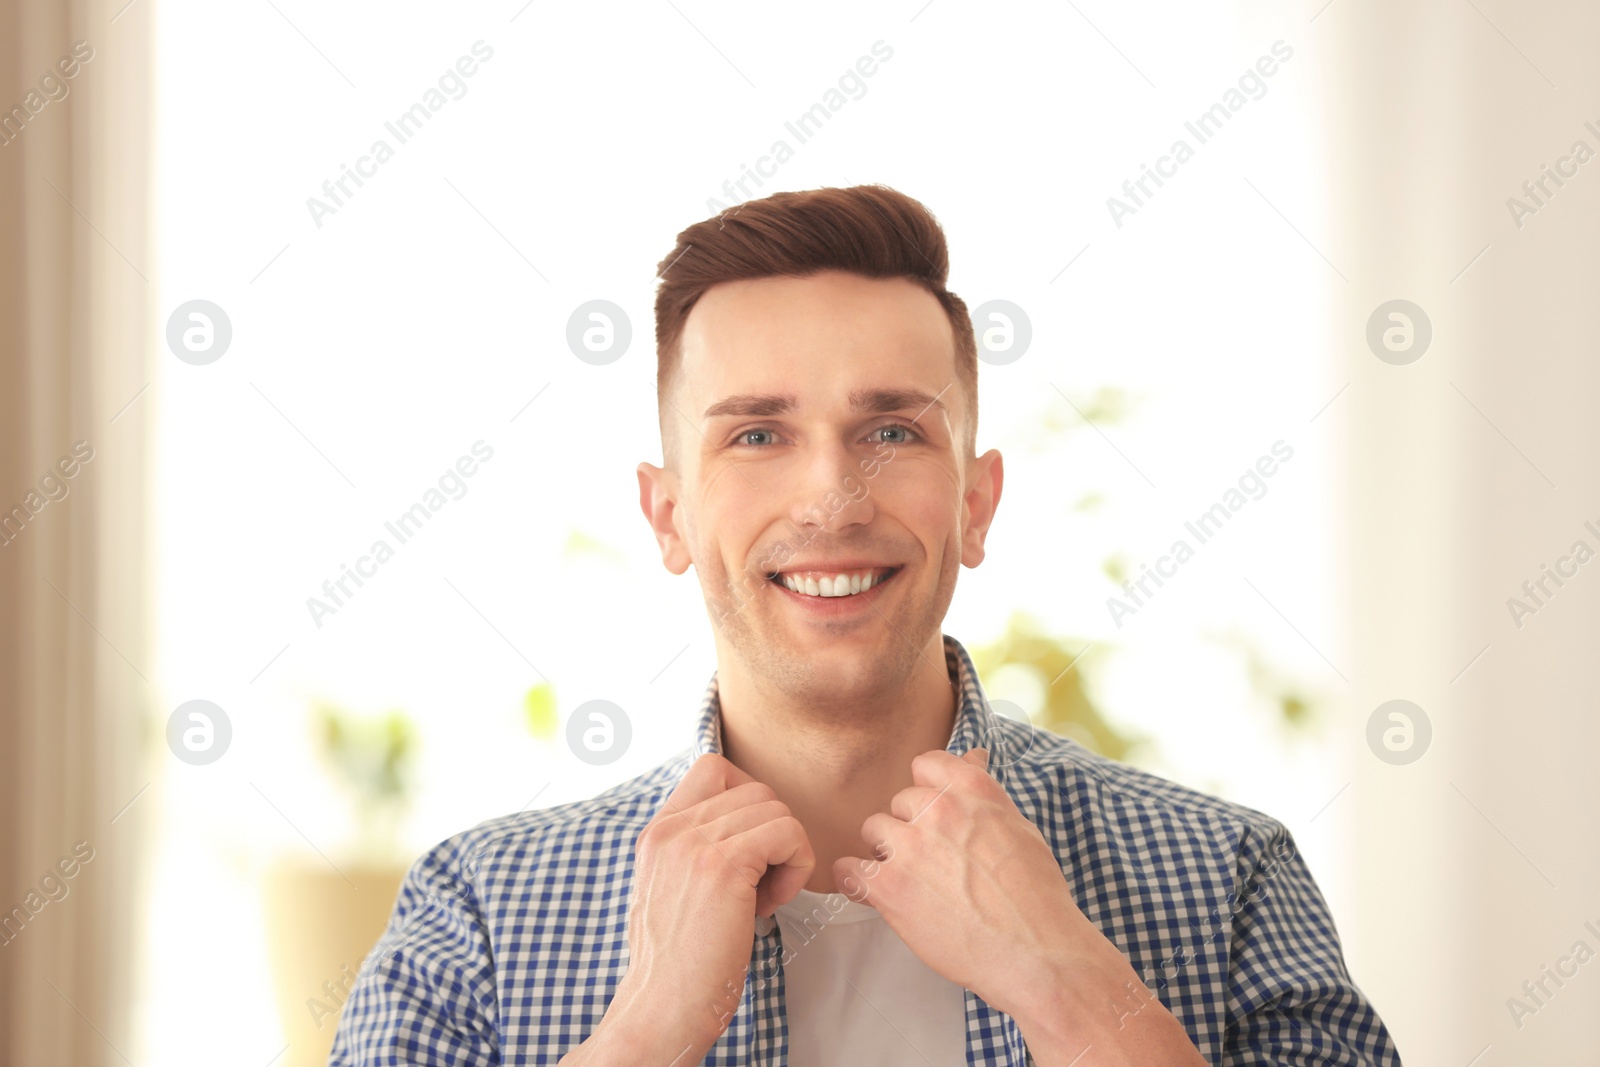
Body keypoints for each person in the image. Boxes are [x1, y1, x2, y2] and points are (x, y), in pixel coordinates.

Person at [330, 185, 1399, 1066]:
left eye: (891, 428)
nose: (832, 497)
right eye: (757, 433)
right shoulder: (475, 912)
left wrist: (1069, 984)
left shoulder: (1228, 876)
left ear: (975, 504)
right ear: (669, 515)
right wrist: (649, 1021)